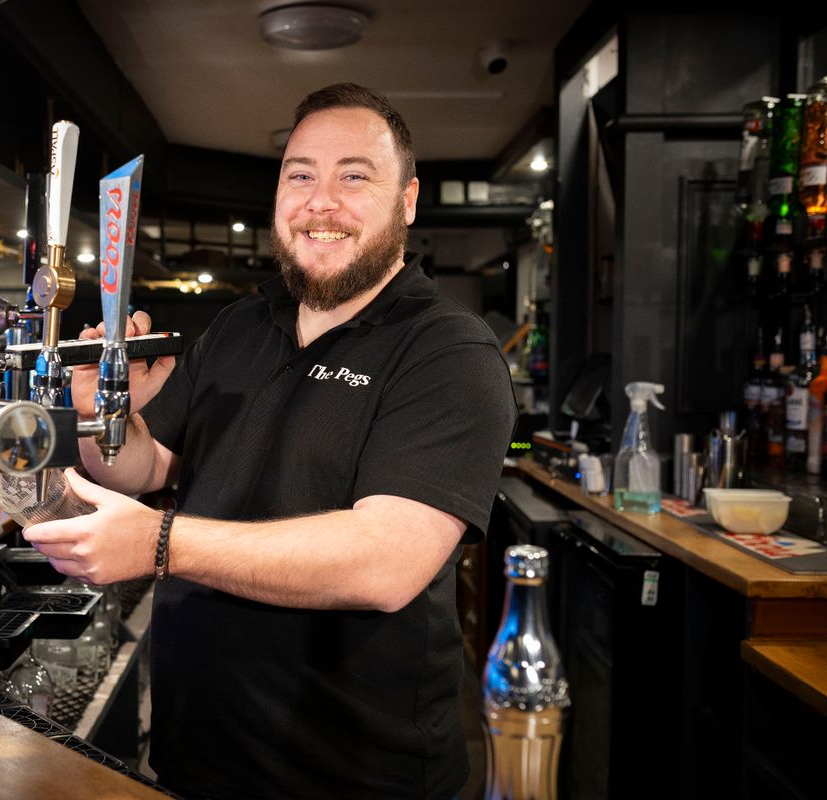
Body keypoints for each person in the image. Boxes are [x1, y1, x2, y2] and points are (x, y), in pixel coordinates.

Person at [26, 83, 517, 800]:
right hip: (195, 756)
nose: (322, 202)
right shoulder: (239, 326)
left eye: (355, 176)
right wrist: (104, 411)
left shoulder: (449, 351)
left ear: (407, 201)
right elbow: (145, 467)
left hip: (353, 779)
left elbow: (387, 562)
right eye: (301, 175)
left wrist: (160, 544)